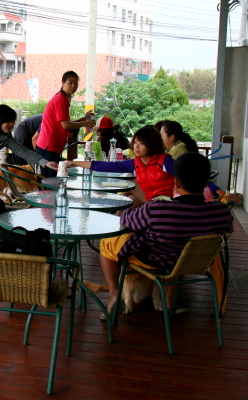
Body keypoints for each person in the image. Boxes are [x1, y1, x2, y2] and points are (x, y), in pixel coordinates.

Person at [98, 152, 233, 317]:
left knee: (106, 242)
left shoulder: (158, 209)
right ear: (206, 183)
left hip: (156, 260)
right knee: (181, 245)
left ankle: (114, 294)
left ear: (176, 182)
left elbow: (125, 219)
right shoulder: (222, 211)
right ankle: (168, 302)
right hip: (192, 260)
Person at [65, 125, 175, 207]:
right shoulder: (136, 163)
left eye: (141, 143)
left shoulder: (165, 160)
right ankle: (117, 224)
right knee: (129, 201)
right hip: (152, 199)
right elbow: (107, 166)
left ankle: (115, 217)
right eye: (135, 142)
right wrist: (73, 163)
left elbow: (183, 179)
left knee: (131, 186)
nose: (136, 147)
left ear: (152, 144)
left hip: (168, 202)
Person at [33, 71, 96, 177]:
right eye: (70, 82)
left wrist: (82, 121)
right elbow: (66, 125)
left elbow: (64, 124)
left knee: (52, 180)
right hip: (49, 146)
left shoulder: (62, 98)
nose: (73, 86)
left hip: (50, 146)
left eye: (76, 83)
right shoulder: (60, 99)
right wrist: (85, 123)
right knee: (50, 181)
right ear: (63, 83)